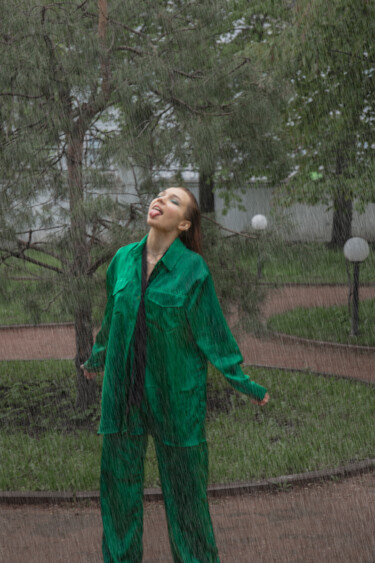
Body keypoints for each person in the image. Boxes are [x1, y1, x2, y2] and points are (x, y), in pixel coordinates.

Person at [81, 186, 269, 563]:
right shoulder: (121, 260)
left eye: (173, 200)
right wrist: (97, 360)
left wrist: (242, 381)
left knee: (187, 500)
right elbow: (112, 320)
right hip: (123, 397)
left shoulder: (192, 270)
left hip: (176, 398)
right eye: (160, 195)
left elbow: (212, 332)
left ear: (184, 223)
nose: (160, 200)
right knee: (118, 497)